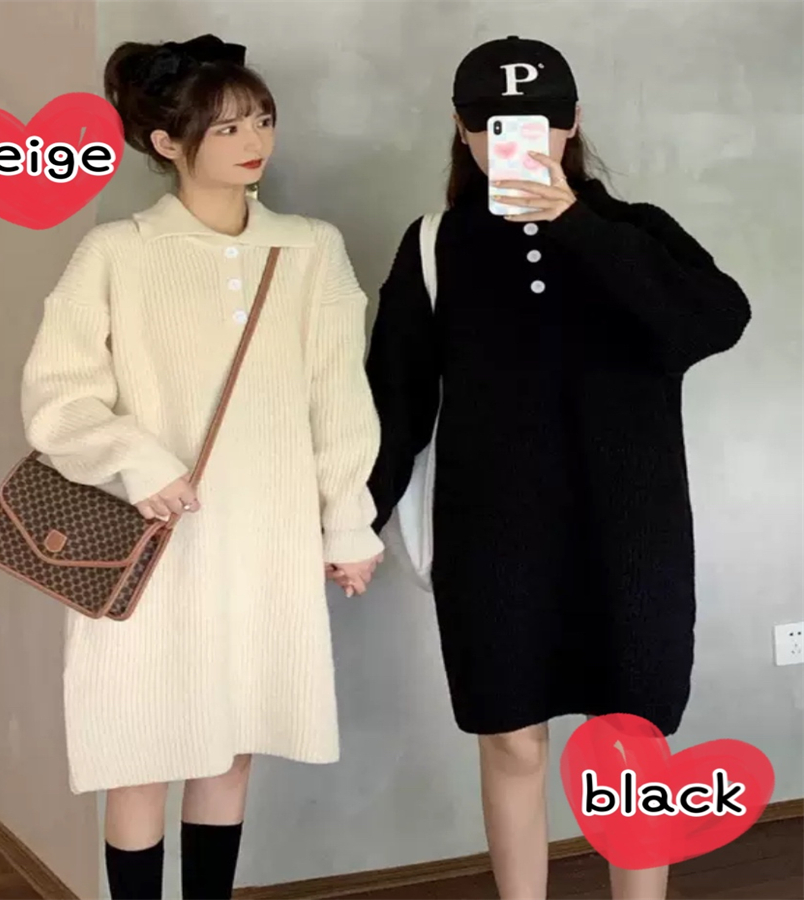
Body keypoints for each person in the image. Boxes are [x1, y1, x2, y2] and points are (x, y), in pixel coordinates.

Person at [364, 36, 751, 900]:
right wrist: (353, 521)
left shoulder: (634, 231)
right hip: (493, 539)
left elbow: (715, 320)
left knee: (633, 739)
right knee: (510, 739)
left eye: (539, 123)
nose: (519, 141)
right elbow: (395, 400)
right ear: (463, 131)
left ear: (573, 123)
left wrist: (576, 224)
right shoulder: (434, 245)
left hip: (633, 535)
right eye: (495, 125)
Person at [20, 34, 383, 900]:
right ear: (166, 142)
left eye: (262, 119)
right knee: (139, 754)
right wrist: (137, 460)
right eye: (227, 127)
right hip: (150, 545)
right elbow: (58, 395)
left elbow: (338, 399)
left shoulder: (310, 248)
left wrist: (348, 523)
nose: (255, 139)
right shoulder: (117, 252)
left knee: (231, 745)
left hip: (264, 539)